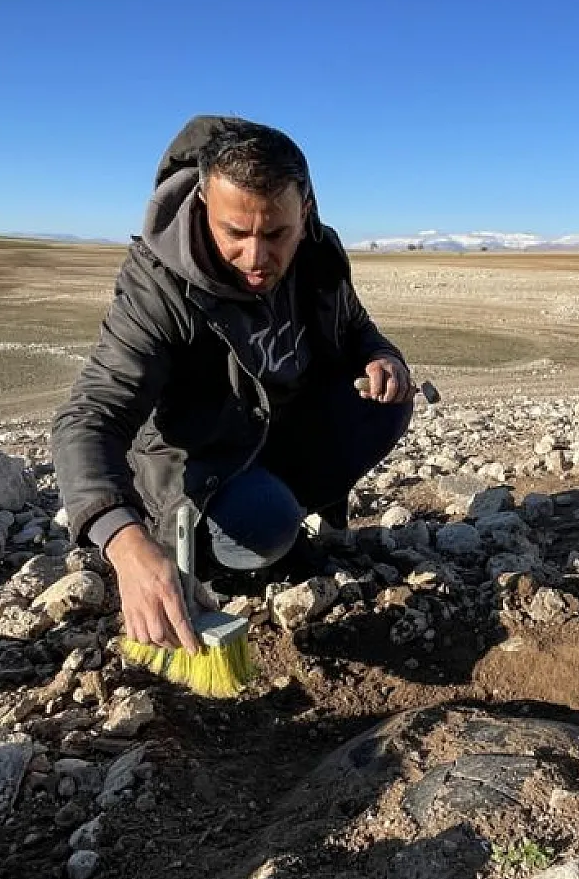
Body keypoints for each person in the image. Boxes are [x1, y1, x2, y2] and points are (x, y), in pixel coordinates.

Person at [52, 116, 413, 655]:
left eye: (275, 234)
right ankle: (213, 554)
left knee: (385, 403)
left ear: (305, 213)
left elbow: (355, 327)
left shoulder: (317, 251)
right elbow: (90, 417)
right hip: (202, 462)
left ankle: (284, 515)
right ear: (203, 203)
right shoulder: (160, 284)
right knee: (264, 523)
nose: (256, 257)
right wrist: (125, 546)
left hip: (277, 429)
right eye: (235, 234)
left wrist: (382, 356)